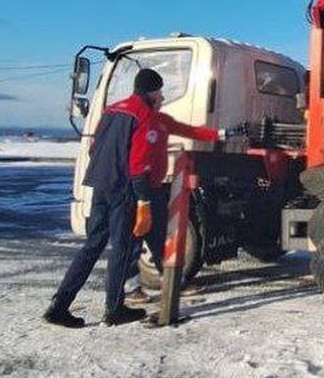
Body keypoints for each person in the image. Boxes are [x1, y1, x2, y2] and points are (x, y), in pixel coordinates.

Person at [43, 69, 222, 328]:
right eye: (159, 91)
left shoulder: (114, 110)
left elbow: (96, 147)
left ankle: (59, 305)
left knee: (93, 245)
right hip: (126, 190)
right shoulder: (146, 117)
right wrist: (143, 201)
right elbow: (138, 164)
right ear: (151, 91)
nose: (161, 95)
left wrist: (220, 135)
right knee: (122, 249)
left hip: (102, 185)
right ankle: (114, 309)